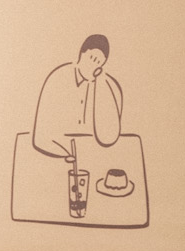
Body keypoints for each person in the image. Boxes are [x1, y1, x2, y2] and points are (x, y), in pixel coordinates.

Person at [31, 34, 123, 163]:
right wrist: (66, 153)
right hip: (58, 154)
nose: (93, 66)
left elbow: (108, 138)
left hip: (96, 158)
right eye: (92, 58)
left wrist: (101, 83)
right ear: (82, 54)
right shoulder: (57, 77)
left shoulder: (109, 87)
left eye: (99, 63)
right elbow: (41, 136)